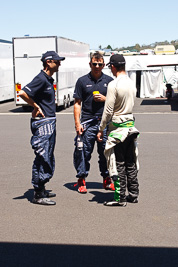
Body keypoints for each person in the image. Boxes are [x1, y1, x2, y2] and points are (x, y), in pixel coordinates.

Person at [19, 51, 65, 205]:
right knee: (43, 156)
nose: (59, 64)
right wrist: (35, 105)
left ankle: (41, 188)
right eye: (57, 62)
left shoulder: (47, 79)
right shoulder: (40, 79)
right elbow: (23, 93)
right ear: (48, 62)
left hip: (49, 121)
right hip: (43, 123)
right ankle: (38, 193)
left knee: (47, 155)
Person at [97, 54, 139, 207]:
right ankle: (133, 194)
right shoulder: (131, 83)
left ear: (113, 67)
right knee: (130, 162)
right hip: (130, 127)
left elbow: (108, 111)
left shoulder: (113, 85)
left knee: (118, 162)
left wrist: (101, 129)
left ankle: (120, 198)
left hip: (117, 129)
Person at [73, 51, 114, 193]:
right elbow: (77, 103)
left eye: (100, 64)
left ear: (104, 65)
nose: (97, 66)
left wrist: (105, 99)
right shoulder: (82, 81)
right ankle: (81, 179)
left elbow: (116, 102)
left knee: (106, 152)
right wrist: (78, 124)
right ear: (90, 64)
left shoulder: (109, 81)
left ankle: (107, 179)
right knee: (83, 152)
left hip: (105, 123)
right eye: (94, 64)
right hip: (88, 122)